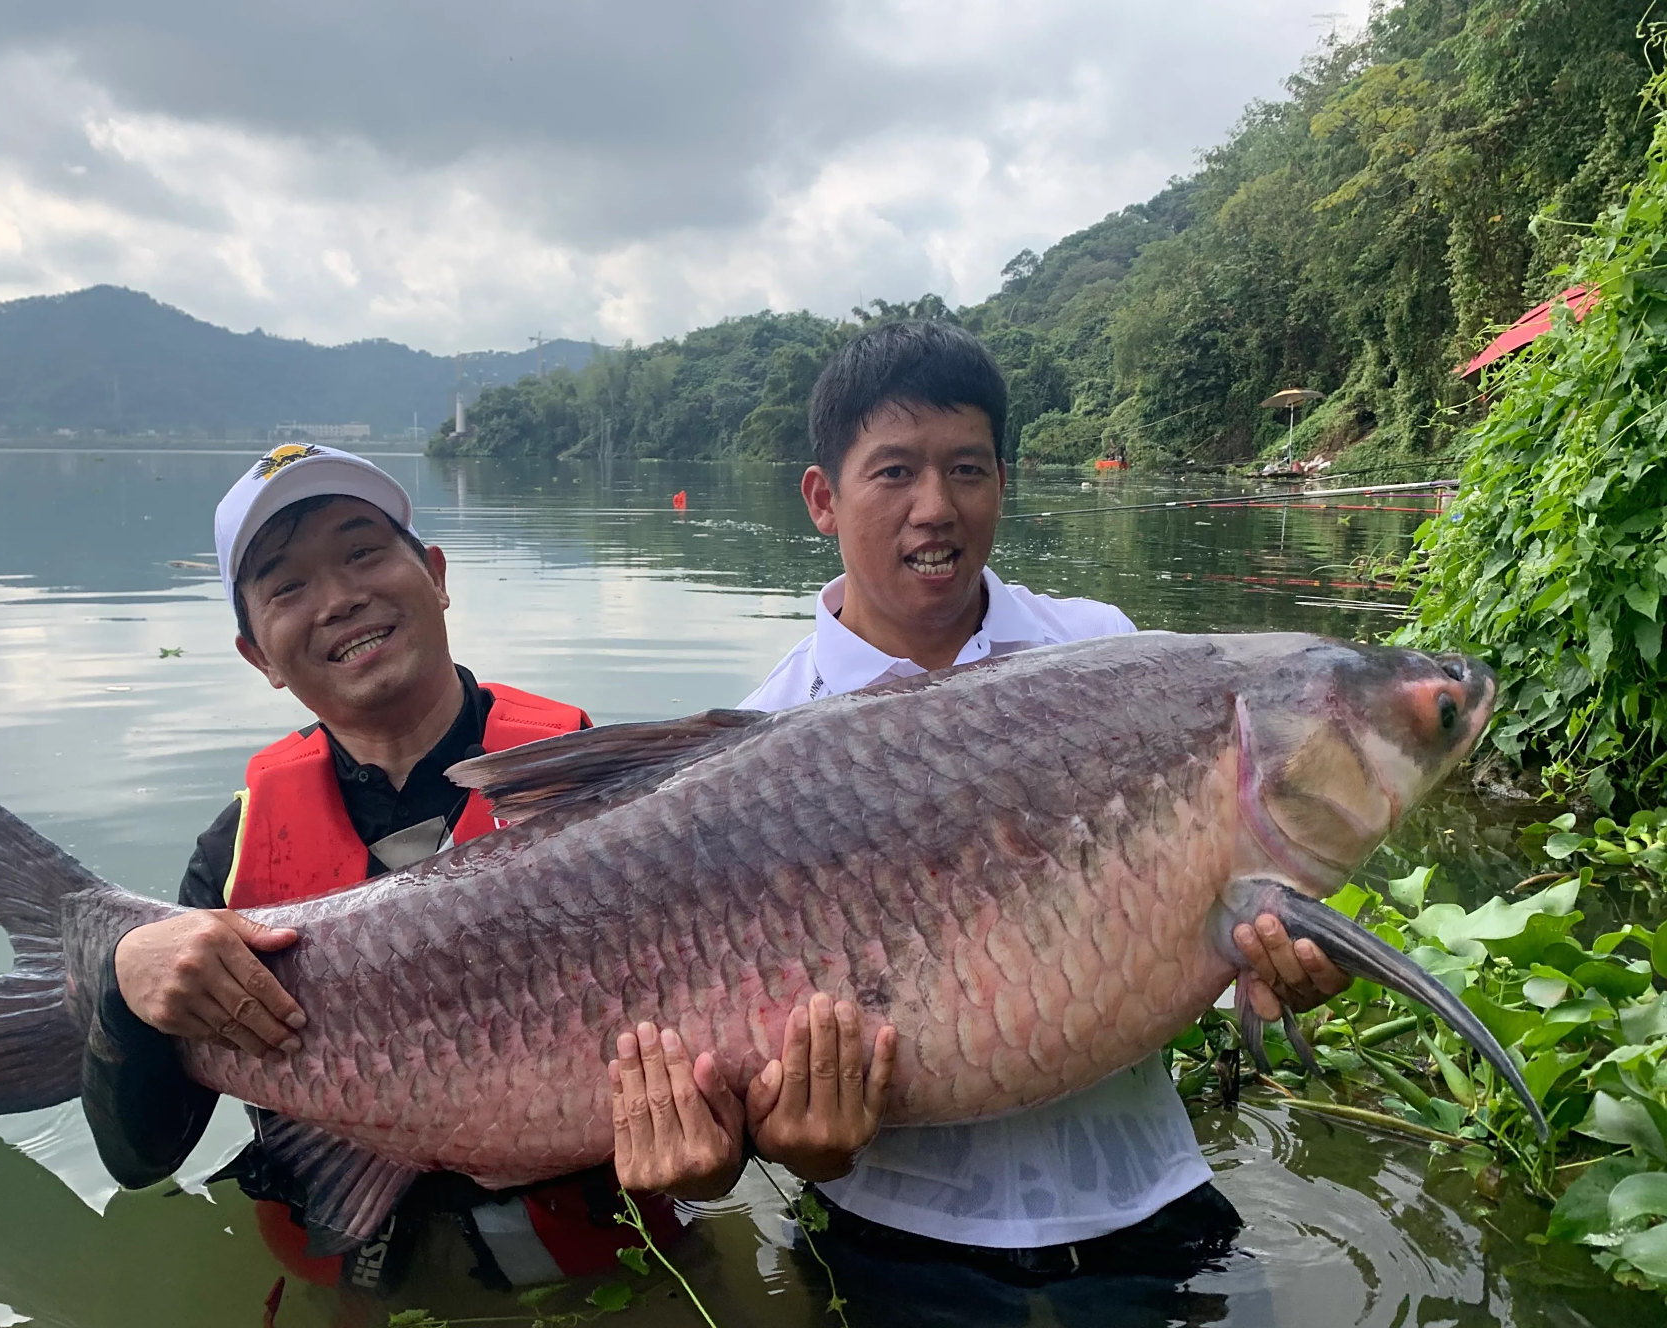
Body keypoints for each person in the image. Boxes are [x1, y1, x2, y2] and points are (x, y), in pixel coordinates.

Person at [77, 444, 875, 1296]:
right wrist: (123, 985)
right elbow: (139, 1156)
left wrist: (724, 1151)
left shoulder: (611, 800)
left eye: (363, 552)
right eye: (287, 586)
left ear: (436, 573)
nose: (341, 598)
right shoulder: (232, 857)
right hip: (355, 1299)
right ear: (258, 657)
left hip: (617, 1285)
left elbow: (741, 1017)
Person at [732, 322, 1350, 1302]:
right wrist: (778, 1127)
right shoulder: (762, 740)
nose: (933, 509)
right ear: (821, 497)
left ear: (1001, 481)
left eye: (965, 468)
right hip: (892, 1234)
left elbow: (1219, 891)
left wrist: (1279, 956)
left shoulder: (1104, 655)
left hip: (1146, 1200)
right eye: (892, 472)